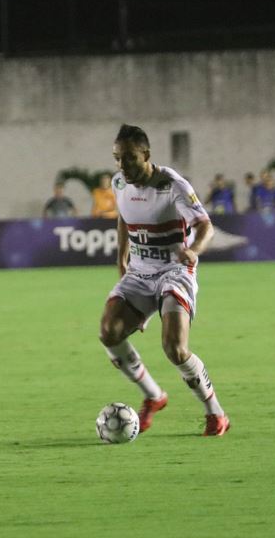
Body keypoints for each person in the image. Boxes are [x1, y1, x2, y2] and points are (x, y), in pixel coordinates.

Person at [98, 124, 229, 437]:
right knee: (109, 332)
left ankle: (216, 413)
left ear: (146, 155)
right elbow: (123, 216)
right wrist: (121, 259)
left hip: (174, 272)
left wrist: (194, 250)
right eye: (117, 158)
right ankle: (154, 396)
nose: (122, 165)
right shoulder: (119, 182)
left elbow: (205, 226)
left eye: (129, 158)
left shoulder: (172, 185)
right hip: (139, 273)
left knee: (175, 348)